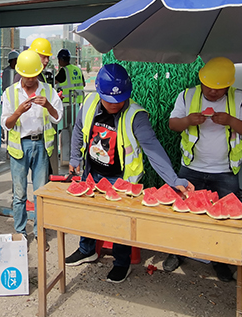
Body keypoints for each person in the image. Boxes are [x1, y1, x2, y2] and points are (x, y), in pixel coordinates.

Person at [64, 64, 193, 283]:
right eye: (109, 100)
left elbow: (153, 148)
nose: (115, 104)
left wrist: (173, 179)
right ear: (99, 92)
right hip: (92, 172)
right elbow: (78, 129)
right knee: (88, 214)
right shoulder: (89, 103)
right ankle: (87, 250)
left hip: (121, 178)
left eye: (120, 98)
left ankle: (122, 263)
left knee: (120, 223)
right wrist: (75, 158)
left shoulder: (136, 115)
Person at [166, 56, 242, 281]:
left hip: (225, 171)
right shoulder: (187, 95)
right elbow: (173, 124)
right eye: (208, 86)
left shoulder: (241, 98)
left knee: (226, 221)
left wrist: (231, 120)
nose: (213, 92)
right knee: (183, 215)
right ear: (201, 80)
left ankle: (220, 261)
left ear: (229, 85)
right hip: (191, 168)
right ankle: (176, 252)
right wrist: (187, 121)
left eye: (219, 88)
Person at [1, 50, 63, 241]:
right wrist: (18, 112)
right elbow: (6, 124)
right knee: (19, 195)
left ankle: (39, 232)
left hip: (41, 145)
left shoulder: (48, 91)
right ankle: (20, 232)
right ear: (19, 72)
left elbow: (57, 117)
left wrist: (48, 106)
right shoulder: (10, 93)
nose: (29, 79)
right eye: (26, 75)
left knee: (40, 193)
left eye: (33, 75)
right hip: (19, 147)